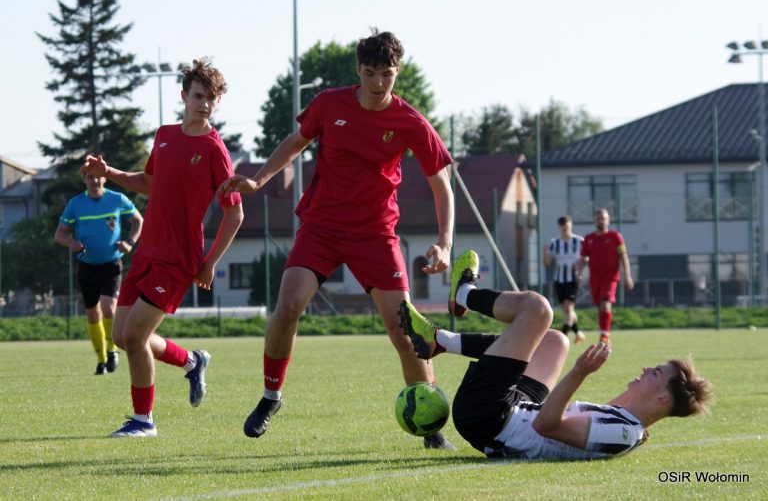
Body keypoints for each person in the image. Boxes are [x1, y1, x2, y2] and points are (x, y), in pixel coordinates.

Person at [218, 29, 455, 449]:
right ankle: (271, 396)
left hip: (376, 234)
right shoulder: (329, 104)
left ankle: (432, 427)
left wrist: (445, 242)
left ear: (397, 72)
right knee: (288, 305)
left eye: (387, 74)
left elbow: (442, 186)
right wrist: (257, 180)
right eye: (370, 73)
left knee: (404, 332)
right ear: (357, 71)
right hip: (322, 228)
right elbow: (295, 142)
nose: (379, 82)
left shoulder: (410, 121)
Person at [398, 250, 713, 460]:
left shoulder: (622, 432)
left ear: (661, 399)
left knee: (537, 309)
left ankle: (463, 294)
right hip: (514, 409)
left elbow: (545, 426)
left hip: (489, 418)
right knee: (555, 341)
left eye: (655, 373)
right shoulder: (631, 426)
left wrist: (580, 372)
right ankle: (439, 341)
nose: (647, 369)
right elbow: (628, 413)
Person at [81, 58, 243, 437]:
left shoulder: (215, 149)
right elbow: (151, 182)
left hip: (177, 258)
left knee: (134, 338)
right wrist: (111, 175)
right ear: (184, 96)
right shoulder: (165, 135)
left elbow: (234, 215)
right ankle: (191, 361)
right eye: (199, 96)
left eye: (212, 98)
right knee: (122, 336)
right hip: (147, 251)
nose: (205, 104)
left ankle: (143, 421)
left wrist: (209, 262)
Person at [55, 172, 143, 375]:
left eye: (97, 176)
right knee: (93, 314)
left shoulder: (117, 199)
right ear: (84, 180)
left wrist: (129, 243)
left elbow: (138, 221)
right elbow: (60, 233)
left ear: (104, 178)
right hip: (87, 267)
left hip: (111, 264)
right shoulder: (76, 204)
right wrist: (72, 243)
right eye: (89, 177)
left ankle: (113, 351)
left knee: (108, 307)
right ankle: (101, 360)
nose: (94, 181)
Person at [576, 208, 634, 344]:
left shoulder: (615, 237)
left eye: (603, 218)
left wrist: (628, 275)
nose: (601, 220)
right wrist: (579, 271)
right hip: (595, 278)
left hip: (611, 276)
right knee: (599, 305)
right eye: (598, 218)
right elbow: (583, 258)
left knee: (605, 302)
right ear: (594, 220)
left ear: (608, 220)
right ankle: (604, 330)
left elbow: (623, 256)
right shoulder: (589, 239)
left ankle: (605, 335)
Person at [542, 215, 585, 345]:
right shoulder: (555, 243)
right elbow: (546, 263)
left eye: (566, 224)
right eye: (562, 225)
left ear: (571, 225)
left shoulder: (579, 241)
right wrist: (545, 253)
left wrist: (580, 270)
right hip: (559, 279)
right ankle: (578, 333)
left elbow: (586, 259)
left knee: (569, 308)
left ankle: (561, 338)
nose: (564, 227)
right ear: (559, 227)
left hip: (573, 279)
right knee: (566, 310)